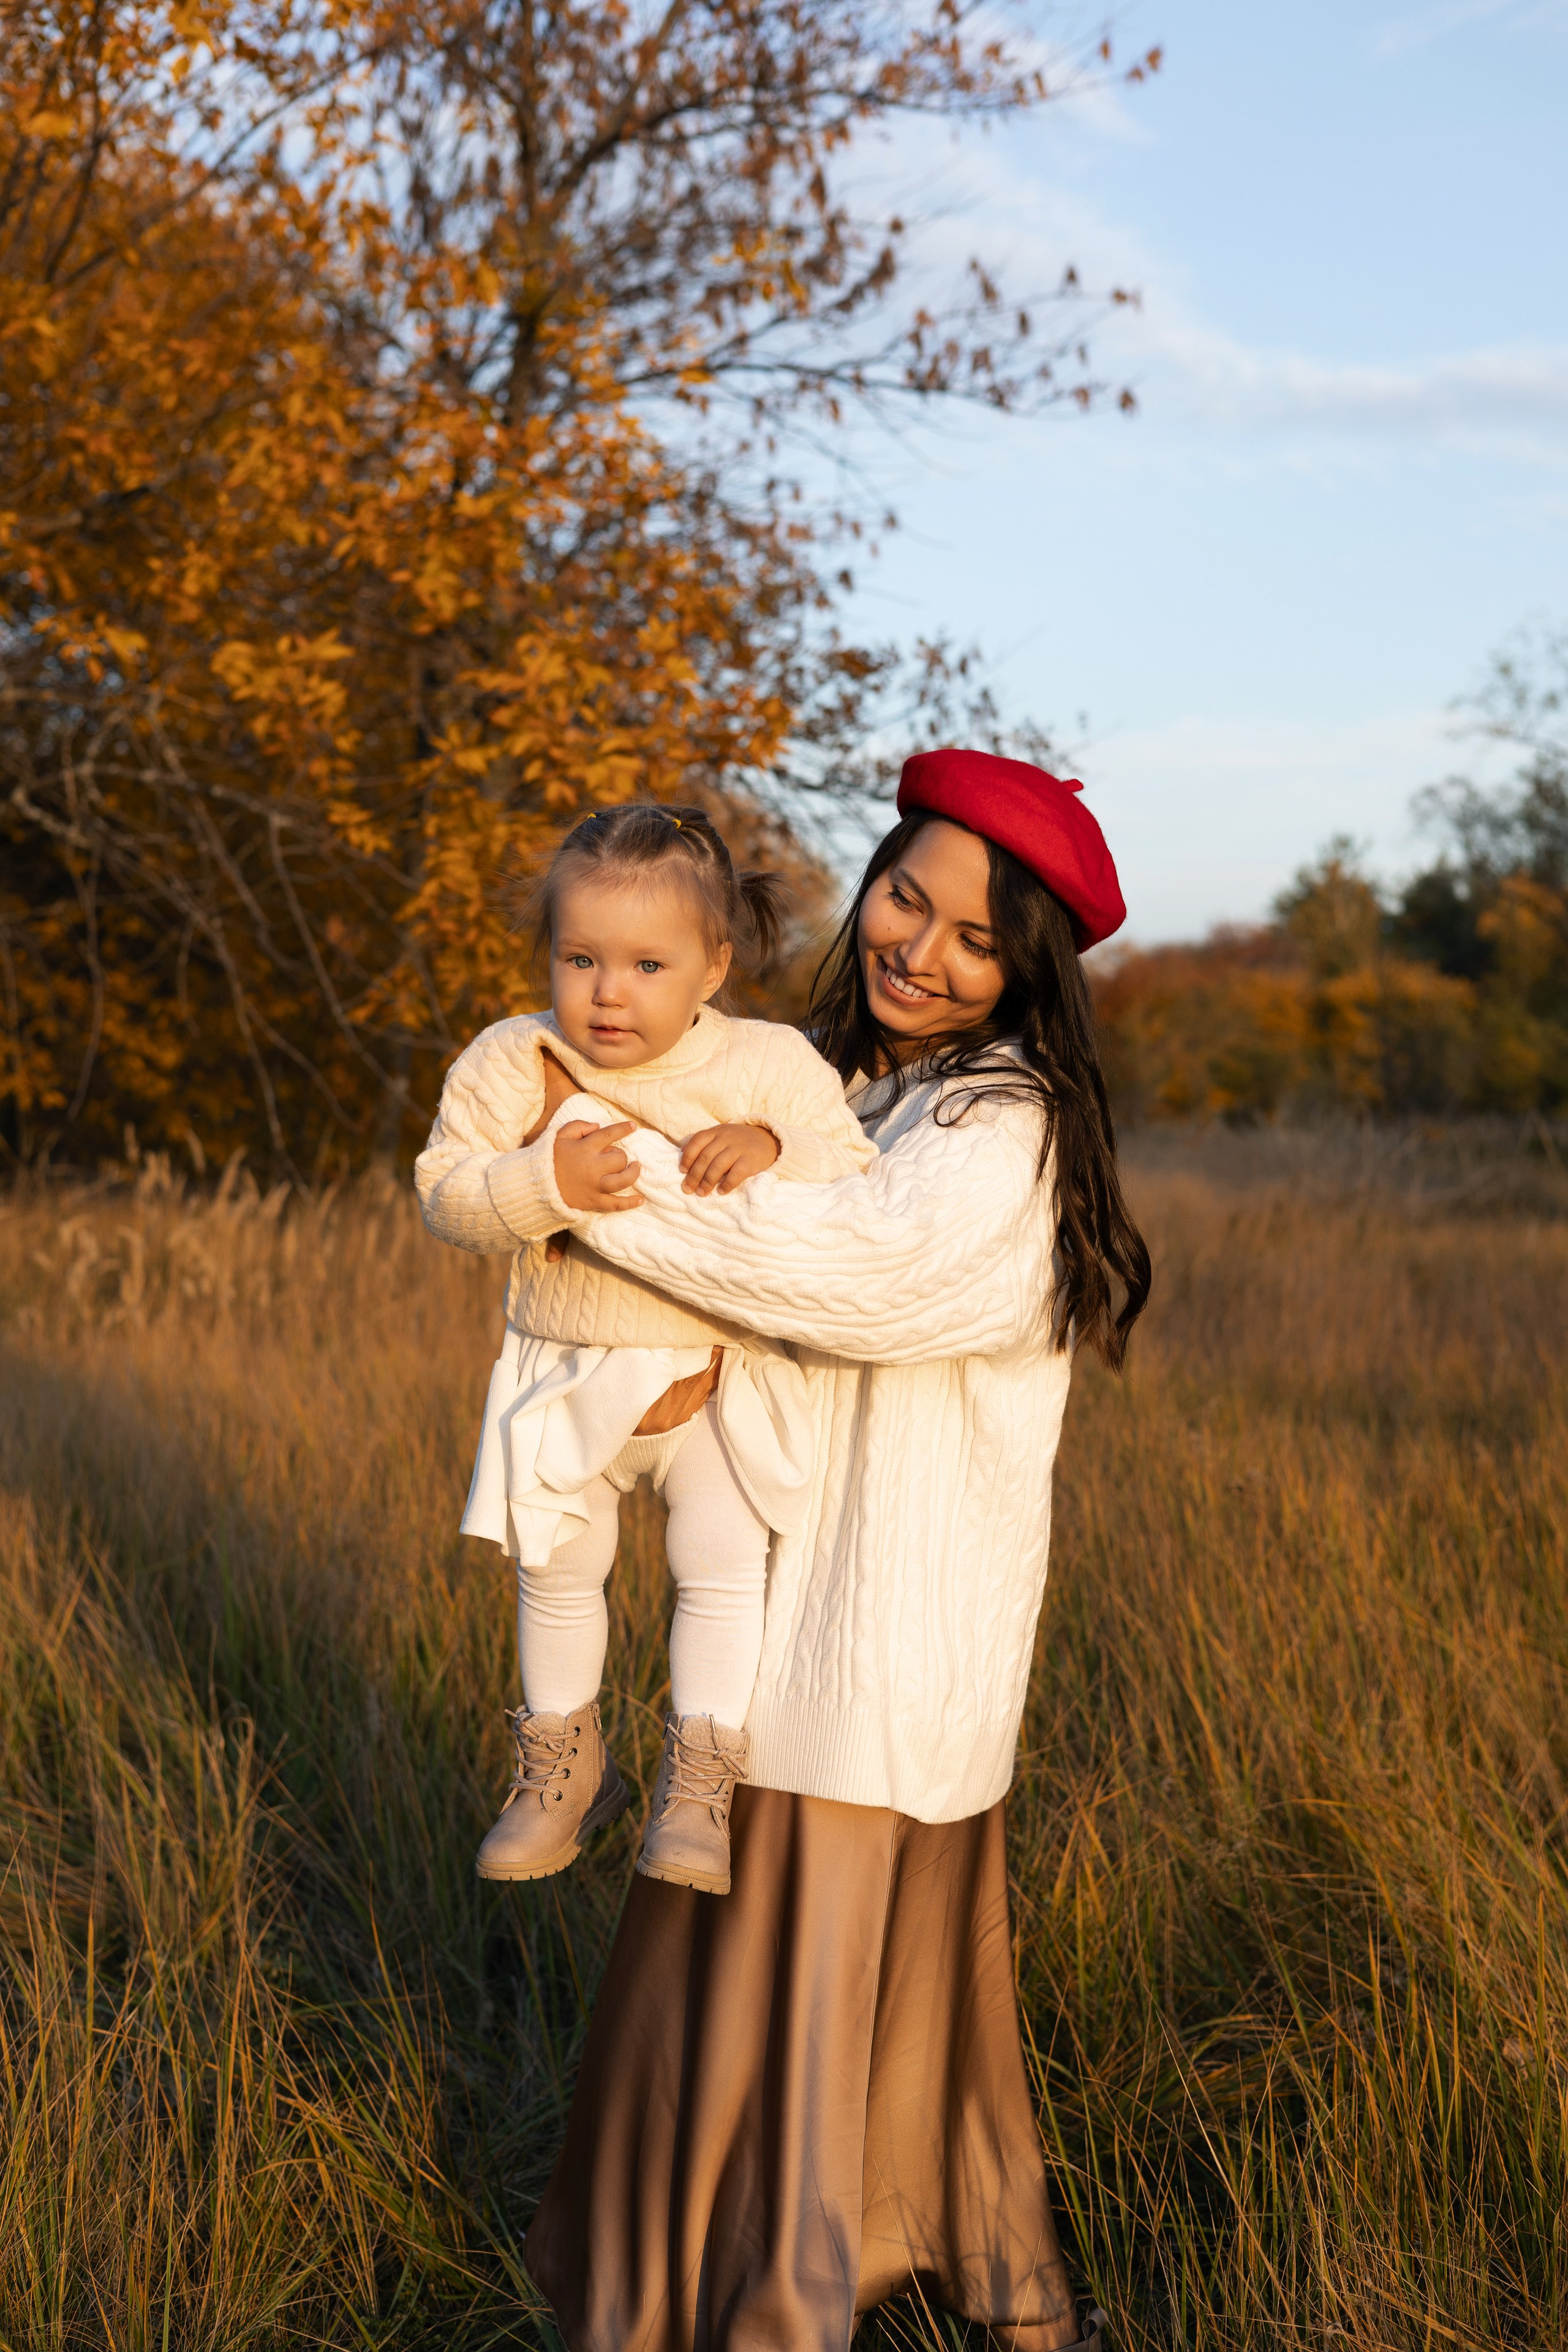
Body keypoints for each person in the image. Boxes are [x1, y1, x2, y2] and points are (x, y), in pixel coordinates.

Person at [443, 749, 1150, 2350]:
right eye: (908, 895)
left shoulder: (1001, 1124)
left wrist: (577, 1190)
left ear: (1025, 966)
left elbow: (852, 1271)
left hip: (878, 1641)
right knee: (781, 1984)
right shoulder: (839, 1076)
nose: (921, 948)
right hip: (782, 1609)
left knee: (810, 1997)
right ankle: (756, 2265)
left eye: (976, 938)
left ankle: (780, 2297)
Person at [415, 804, 875, 1895]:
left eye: (645, 963)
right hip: (562, 1370)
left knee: (719, 1570)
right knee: (557, 1571)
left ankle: (700, 1783)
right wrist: (542, 1185)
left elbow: (852, 1171)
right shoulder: (513, 1057)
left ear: (714, 966)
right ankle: (563, 1770)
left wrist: (772, 1143)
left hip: (716, 1374)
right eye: (581, 957)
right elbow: (442, 1193)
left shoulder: (767, 1061)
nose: (607, 991)